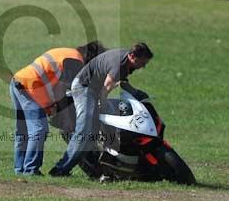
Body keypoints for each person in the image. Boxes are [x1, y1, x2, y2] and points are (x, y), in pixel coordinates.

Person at [49, 42, 153, 177]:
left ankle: (106, 166)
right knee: (84, 131)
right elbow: (106, 88)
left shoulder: (126, 59)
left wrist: (137, 93)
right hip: (84, 88)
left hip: (93, 90)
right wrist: (102, 107)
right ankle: (60, 170)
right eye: (142, 62)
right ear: (133, 56)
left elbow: (121, 82)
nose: (143, 66)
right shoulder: (119, 63)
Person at [10, 41, 106, 175]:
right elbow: (61, 89)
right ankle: (30, 170)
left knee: (23, 131)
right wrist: (65, 118)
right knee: (38, 130)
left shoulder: (67, 53)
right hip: (31, 88)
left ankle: (19, 169)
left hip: (18, 81)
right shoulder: (75, 61)